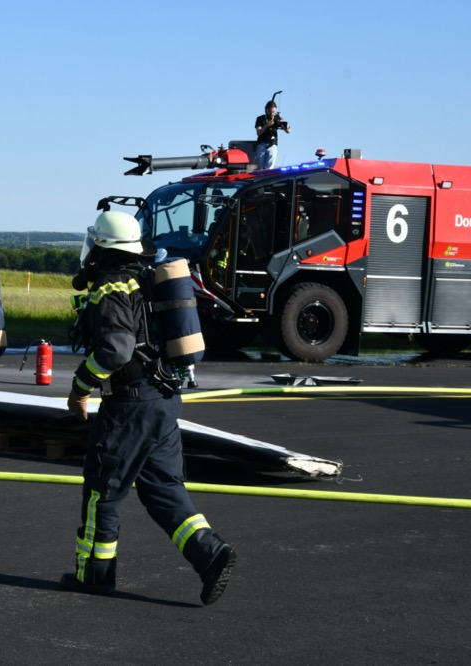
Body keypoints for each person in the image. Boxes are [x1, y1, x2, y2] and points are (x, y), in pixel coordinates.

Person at [62, 210, 236, 605]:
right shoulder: (147, 281)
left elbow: (115, 350)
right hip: (163, 401)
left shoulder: (110, 288)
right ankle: (211, 555)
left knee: (101, 492)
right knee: (164, 491)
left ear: (102, 248)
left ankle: (94, 575)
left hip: (131, 405)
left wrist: (80, 388)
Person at [254, 100, 291, 170]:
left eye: (273, 112)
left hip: (273, 143)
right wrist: (267, 125)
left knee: (270, 164)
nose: (271, 114)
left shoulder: (277, 118)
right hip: (262, 143)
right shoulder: (260, 119)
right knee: (260, 165)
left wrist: (284, 124)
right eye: (270, 112)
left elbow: (288, 131)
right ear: (266, 110)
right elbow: (259, 132)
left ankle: (267, 175)